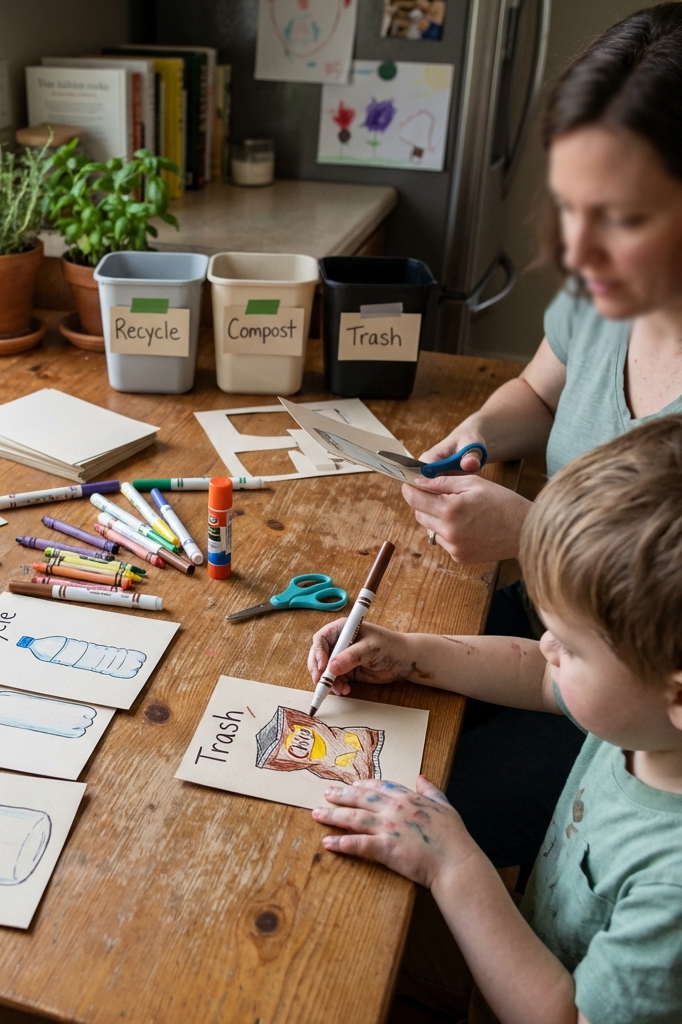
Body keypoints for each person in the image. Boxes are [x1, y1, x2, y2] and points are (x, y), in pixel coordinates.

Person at [402, 3, 682, 873]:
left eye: (624, 218)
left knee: (408, 803)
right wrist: (485, 427)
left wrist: (528, 533)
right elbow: (537, 388)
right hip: (549, 644)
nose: (579, 252)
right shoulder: (607, 292)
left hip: (629, 716)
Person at [308, 415, 682, 1024]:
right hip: (529, 942)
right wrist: (411, 653)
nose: (546, 648)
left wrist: (454, 867)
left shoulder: (672, 892)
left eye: (568, 644)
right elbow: (539, 674)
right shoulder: (647, 722)